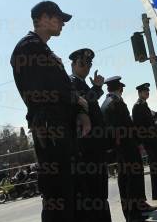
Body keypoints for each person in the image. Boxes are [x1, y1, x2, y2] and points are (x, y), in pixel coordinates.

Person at [10, 1, 91, 222]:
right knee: (59, 195)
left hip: (62, 126)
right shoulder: (28, 48)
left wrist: (78, 110)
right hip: (50, 128)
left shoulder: (45, 50)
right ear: (43, 18)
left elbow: (61, 88)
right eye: (59, 19)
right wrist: (76, 99)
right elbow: (43, 91)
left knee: (72, 192)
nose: (63, 24)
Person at [101, 77, 156, 222]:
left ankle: (136, 211)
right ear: (120, 89)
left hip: (122, 149)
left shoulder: (107, 103)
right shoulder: (115, 103)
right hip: (126, 148)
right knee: (130, 183)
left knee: (128, 181)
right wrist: (135, 143)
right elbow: (123, 127)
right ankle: (133, 215)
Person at [69, 48, 112, 221]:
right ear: (73, 65)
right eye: (82, 63)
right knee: (94, 194)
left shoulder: (82, 83)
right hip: (86, 149)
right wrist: (97, 87)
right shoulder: (71, 82)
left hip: (95, 147)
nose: (86, 67)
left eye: (89, 64)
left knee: (100, 193)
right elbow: (84, 102)